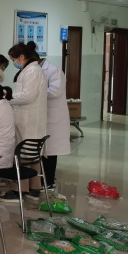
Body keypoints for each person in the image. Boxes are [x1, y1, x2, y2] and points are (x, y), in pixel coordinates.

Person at [1, 42, 48, 203]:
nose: (14, 62)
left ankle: (18, 190)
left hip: (28, 119)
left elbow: (27, 96)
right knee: (31, 154)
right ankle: (34, 188)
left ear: (21, 57)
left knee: (23, 154)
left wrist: (7, 98)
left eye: (14, 59)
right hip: (30, 119)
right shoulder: (31, 70)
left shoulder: (33, 71)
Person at [39, 56, 71, 190]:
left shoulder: (54, 71)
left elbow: (55, 92)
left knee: (50, 150)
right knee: (43, 149)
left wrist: (36, 92)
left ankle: (49, 181)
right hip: (42, 114)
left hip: (53, 116)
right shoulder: (35, 70)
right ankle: (43, 179)